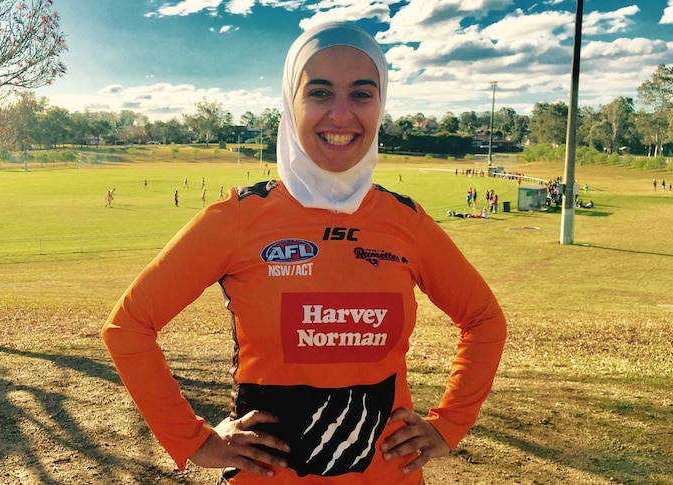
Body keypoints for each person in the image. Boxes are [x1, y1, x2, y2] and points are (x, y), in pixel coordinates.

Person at [102, 22, 506, 485]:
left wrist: (449, 424)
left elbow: (484, 320)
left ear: (381, 105)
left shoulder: (406, 221)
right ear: (289, 104)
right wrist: (193, 440)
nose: (340, 114)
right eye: (318, 93)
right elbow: (128, 327)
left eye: (361, 94)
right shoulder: (238, 218)